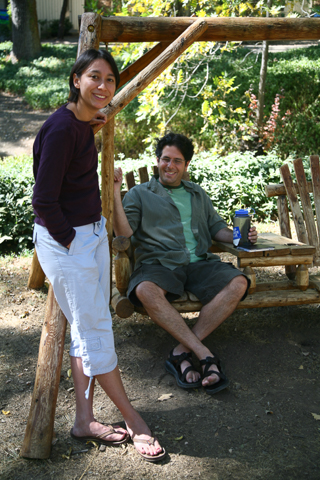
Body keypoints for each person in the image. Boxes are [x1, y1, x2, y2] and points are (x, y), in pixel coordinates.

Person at [32, 48, 165, 462]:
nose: (103, 86)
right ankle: (134, 419)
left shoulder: (77, 123)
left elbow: (72, 159)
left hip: (88, 238)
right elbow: (43, 201)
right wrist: (72, 243)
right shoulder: (60, 130)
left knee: (88, 329)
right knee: (96, 333)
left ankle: (84, 419)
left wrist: (91, 121)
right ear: (76, 79)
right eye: (95, 77)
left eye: (110, 80)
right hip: (70, 243)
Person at [113, 132, 257, 395]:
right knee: (145, 290)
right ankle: (203, 353)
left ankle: (182, 351)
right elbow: (124, 233)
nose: (170, 166)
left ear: (186, 165)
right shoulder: (139, 194)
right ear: (157, 161)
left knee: (238, 282)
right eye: (165, 159)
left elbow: (217, 229)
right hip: (160, 263)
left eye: (177, 161)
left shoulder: (197, 194)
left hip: (199, 263)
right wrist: (114, 191)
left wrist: (240, 236)